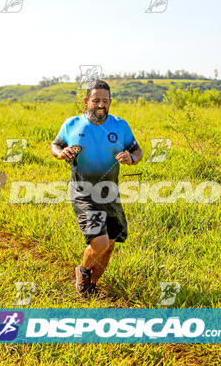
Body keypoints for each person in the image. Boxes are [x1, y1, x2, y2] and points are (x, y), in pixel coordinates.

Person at [51, 80, 143, 296]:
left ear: (110, 102)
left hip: (110, 193)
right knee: (100, 242)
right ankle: (82, 271)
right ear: (86, 102)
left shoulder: (120, 126)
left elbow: (137, 150)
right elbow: (56, 145)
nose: (101, 105)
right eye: (96, 100)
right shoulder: (72, 124)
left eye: (105, 100)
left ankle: (89, 286)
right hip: (83, 192)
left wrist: (131, 158)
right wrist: (60, 153)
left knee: (110, 243)